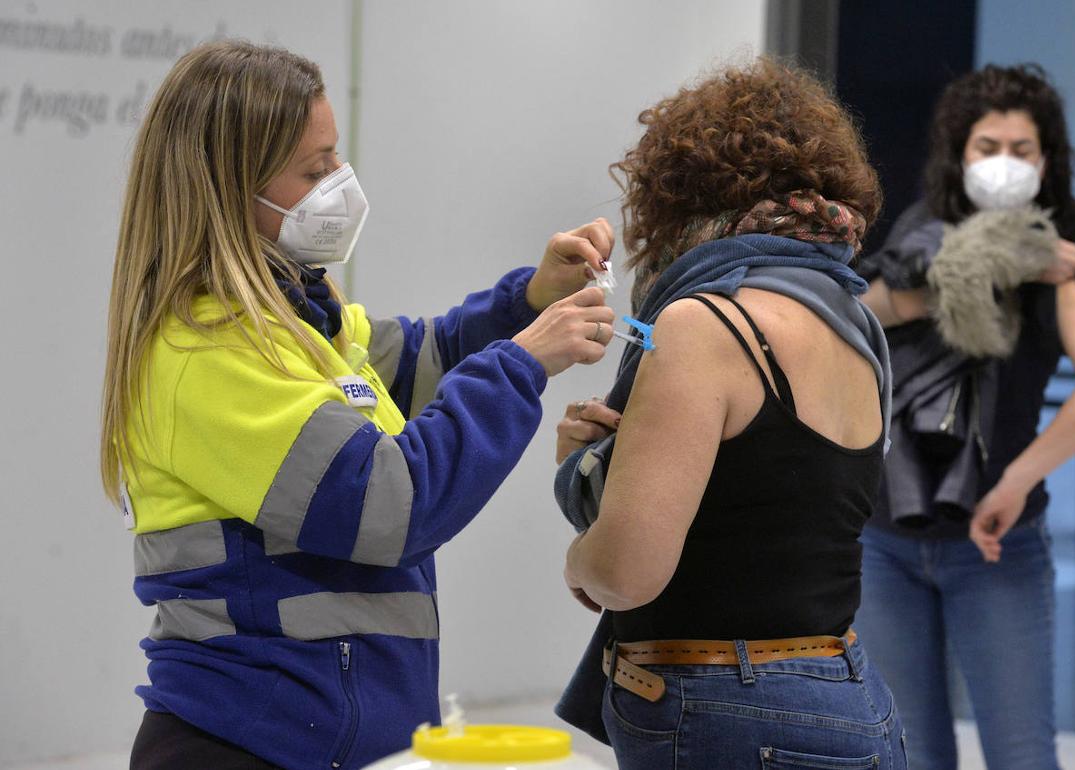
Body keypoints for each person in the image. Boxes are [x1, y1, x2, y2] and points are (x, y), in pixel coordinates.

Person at [101, 40, 616, 770]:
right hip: (247, 744)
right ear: (230, 189)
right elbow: (387, 505)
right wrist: (524, 362)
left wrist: (528, 302)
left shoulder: (303, 321)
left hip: (323, 741)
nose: (339, 185)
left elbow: (416, 361)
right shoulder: (204, 355)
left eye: (335, 160)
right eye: (315, 171)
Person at [554, 59, 907, 769]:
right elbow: (773, 507)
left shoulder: (702, 323)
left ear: (676, 195)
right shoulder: (855, 326)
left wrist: (579, 561)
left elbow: (626, 573)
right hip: (848, 694)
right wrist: (600, 465)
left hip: (726, 711)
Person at [853, 64, 1075, 770]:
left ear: (1047, 161)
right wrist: (983, 264)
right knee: (908, 755)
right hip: (883, 540)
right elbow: (856, 317)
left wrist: (1016, 481)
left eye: (1021, 149)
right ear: (960, 153)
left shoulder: (1059, 261)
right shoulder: (919, 235)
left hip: (999, 547)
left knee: (1021, 756)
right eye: (988, 147)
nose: (1004, 163)